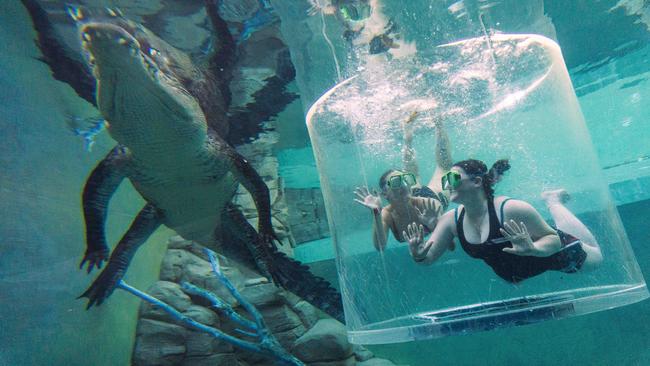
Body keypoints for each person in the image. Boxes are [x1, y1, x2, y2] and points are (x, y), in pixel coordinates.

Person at [403, 159, 603, 283]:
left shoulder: (511, 209)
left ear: (477, 182)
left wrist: (534, 248)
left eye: (453, 178)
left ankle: (553, 202)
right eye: (445, 180)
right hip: (520, 273)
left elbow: (554, 240)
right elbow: (426, 260)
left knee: (596, 256)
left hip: (562, 258)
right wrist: (417, 254)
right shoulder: (450, 221)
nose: (447, 185)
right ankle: (553, 202)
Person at [354, 112, 454, 251]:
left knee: (444, 166)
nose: (403, 185)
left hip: (431, 196)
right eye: (396, 183)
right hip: (414, 197)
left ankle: (436, 123)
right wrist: (376, 213)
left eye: (405, 180)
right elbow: (380, 247)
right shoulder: (386, 215)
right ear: (384, 194)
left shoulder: (428, 204)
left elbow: (450, 246)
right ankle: (409, 135)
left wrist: (434, 224)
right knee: (414, 170)